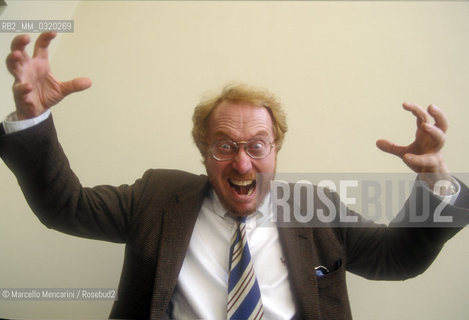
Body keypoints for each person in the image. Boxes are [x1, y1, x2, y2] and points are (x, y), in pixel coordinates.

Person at [1, 32, 468, 320]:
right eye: (224, 145)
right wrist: (33, 120)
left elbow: (397, 260)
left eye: (256, 146)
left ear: (276, 148)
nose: (242, 164)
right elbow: (66, 207)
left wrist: (436, 181)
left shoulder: (317, 208)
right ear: (204, 151)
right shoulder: (157, 196)